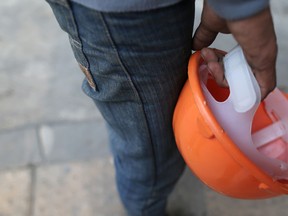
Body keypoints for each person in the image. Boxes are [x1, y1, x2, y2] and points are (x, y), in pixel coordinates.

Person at [45, 0, 277, 215]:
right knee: (150, 152)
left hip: (125, 12)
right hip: (124, 14)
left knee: (135, 123)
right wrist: (244, 10)